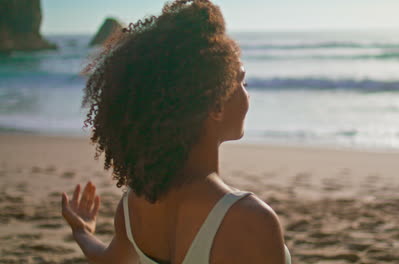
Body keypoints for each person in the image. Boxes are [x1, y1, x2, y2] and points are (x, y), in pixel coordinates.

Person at [61, 0, 292, 263]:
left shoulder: (134, 205)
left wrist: (81, 231)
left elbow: (110, 259)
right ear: (216, 104)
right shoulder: (249, 219)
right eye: (242, 82)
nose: (248, 95)